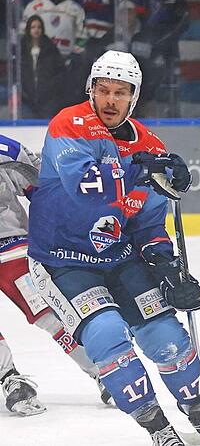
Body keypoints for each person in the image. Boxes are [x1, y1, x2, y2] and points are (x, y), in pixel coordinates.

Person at [26, 50, 200, 446]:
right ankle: (158, 427)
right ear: (90, 90)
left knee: (166, 336)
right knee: (107, 333)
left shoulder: (150, 145)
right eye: (103, 90)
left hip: (119, 255)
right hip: (63, 261)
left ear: (134, 97)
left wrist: (166, 265)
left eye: (120, 93)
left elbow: (146, 223)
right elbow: (86, 187)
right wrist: (142, 169)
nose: (110, 100)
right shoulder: (69, 124)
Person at [0, 134, 111, 415]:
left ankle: (104, 372)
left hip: (9, 246)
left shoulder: (6, 150)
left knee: (48, 313)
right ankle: (10, 379)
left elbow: (43, 187)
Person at [129, 0, 190, 116]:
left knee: (165, 89)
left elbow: (182, 23)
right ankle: (133, 115)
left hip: (165, 52)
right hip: (134, 51)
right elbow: (123, 20)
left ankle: (169, 116)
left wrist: (158, 44)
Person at [21, 0, 86, 59]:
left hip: (66, 60)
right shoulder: (33, 7)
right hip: (40, 60)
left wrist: (73, 57)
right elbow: (23, 33)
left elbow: (83, 37)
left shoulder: (76, 8)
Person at [21, 15, 65, 119]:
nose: (36, 30)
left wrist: (52, 87)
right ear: (28, 29)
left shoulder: (50, 48)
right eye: (33, 27)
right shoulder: (21, 48)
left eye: (39, 27)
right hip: (26, 98)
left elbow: (60, 72)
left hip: (48, 99)